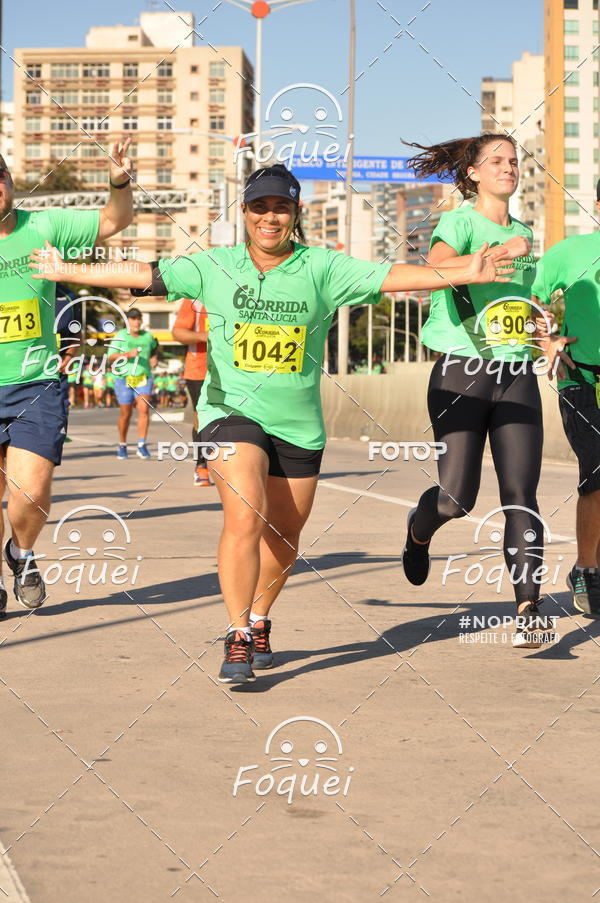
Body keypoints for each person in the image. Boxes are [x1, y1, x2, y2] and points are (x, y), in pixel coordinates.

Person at [30, 162, 514, 677]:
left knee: (284, 534)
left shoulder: (323, 268)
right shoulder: (213, 266)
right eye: (259, 206)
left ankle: (260, 618)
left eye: (280, 207)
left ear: (295, 213)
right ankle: (237, 634)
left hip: (298, 423)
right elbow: (143, 272)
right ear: (244, 213)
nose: (270, 217)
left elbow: (395, 276)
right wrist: (66, 271)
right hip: (229, 411)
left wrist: (465, 271)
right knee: (245, 513)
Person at [400, 133, 552, 648]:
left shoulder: (527, 231)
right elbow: (434, 270)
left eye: (514, 161)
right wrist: (496, 253)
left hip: (516, 374)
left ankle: (529, 608)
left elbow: (518, 305)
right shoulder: (461, 221)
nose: (509, 168)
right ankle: (418, 534)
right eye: (498, 161)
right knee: (456, 497)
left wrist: (544, 331)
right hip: (462, 372)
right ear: (474, 174)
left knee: (520, 495)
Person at [0, 140, 133, 617]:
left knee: (29, 493)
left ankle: (21, 552)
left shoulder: (46, 225)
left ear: (10, 182)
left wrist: (118, 182)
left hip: (36, 383)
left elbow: (113, 221)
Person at [531, 179, 600, 617]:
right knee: (597, 473)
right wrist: (549, 340)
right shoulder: (568, 252)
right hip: (582, 380)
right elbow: (531, 300)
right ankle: (588, 570)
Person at [108, 308, 158, 460]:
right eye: (133, 319)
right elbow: (110, 356)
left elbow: (156, 348)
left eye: (138, 319)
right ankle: (122, 444)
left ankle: (141, 445)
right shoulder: (120, 336)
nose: (136, 321)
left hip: (143, 377)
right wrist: (127, 355)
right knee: (126, 413)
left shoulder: (148, 336)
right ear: (127, 321)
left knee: (143, 409)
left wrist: (155, 357)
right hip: (124, 378)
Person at [171, 297, 211, 486]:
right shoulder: (194, 299)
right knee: (201, 418)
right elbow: (178, 333)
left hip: (234, 369)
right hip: (199, 369)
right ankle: (201, 466)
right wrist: (205, 336)